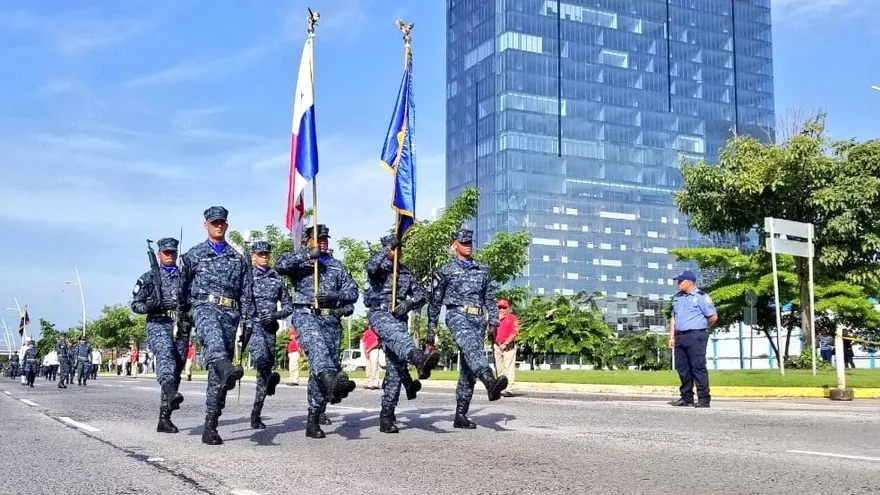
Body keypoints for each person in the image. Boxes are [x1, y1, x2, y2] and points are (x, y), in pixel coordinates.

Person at [275, 223, 359, 439]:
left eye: (325, 239)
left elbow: (352, 292)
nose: (322, 242)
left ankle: (314, 418)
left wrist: (335, 296)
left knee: (322, 370)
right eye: (317, 239)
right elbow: (280, 265)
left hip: (330, 320)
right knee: (319, 353)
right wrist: (306, 255)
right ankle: (333, 385)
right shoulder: (301, 263)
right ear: (307, 241)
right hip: (306, 314)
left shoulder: (337, 266)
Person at [180, 206, 249, 445]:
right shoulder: (192, 255)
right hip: (204, 307)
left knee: (219, 375)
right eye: (214, 222)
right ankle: (223, 365)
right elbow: (182, 288)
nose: (218, 226)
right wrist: (182, 316)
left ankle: (211, 423)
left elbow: (246, 292)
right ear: (206, 225)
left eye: (222, 223)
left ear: (226, 226)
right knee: (215, 346)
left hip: (230, 313)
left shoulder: (238, 259)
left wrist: (248, 320)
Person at [428, 228, 508, 429]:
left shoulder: (483, 270)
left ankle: (460, 415)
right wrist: (431, 327)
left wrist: (494, 322)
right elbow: (435, 301)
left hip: (478, 319)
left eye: (470, 242)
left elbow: (489, 298)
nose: (468, 246)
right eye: (463, 243)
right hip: (457, 315)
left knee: (468, 369)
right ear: (454, 244)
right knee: (472, 349)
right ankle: (490, 382)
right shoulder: (446, 271)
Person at [365, 234, 439, 433]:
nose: (396, 251)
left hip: (399, 319)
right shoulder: (378, 269)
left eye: (398, 248)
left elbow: (423, 295)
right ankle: (417, 357)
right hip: (380, 314)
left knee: (396, 368)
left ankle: (387, 414)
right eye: (392, 248)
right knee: (399, 338)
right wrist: (386, 249)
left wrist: (410, 303)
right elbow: (371, 267)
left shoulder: (405, 272)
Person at [131, 236, 191, 434]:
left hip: (180, 325)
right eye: (166, 252)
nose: (170, 255)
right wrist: (149, 305)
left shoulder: (185, 276)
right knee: (165, 354)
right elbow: (135, 304)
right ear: (159, 254)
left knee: (176, 368)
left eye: (173, 252)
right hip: (158, 322)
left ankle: (164, 418)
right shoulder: (149, 277)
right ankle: (170, 392)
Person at [247, 240, 294, 430]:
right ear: (253, 257)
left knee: (263, 376)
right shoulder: (246, 278)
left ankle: (256, 414)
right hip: (252, 327)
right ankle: (268, 377)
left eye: (266, 253)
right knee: (261, 359)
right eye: (260, 254)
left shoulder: (277, 279)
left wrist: (275, 315)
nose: (264, 256)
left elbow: (289, 306)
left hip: (270, 329)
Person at [668, 270, 718, 408]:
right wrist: (671, 336)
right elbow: (673, 318)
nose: (678, 284)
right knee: (682, 368)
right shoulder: (677, 298)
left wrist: (700, 327)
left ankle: (703, 398)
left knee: (698, 367)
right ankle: (686, 397)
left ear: (689, 282)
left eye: (680, 281)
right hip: (680, 336)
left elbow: (713, 317)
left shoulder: (701, 297)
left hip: (696, 336)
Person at [493, 299, 519, 397]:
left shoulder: (512, 318)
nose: (501, 309)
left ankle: (509, 389)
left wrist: (506, 343)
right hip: (497, 346)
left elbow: (514, 332)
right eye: (499, 307)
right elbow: (490, 330)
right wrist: (497, 320)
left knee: (509, 368)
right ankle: (500, 388)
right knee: (499, 369)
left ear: (507, 308)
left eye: (503, 307)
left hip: (508, 347)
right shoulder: (495, 319)